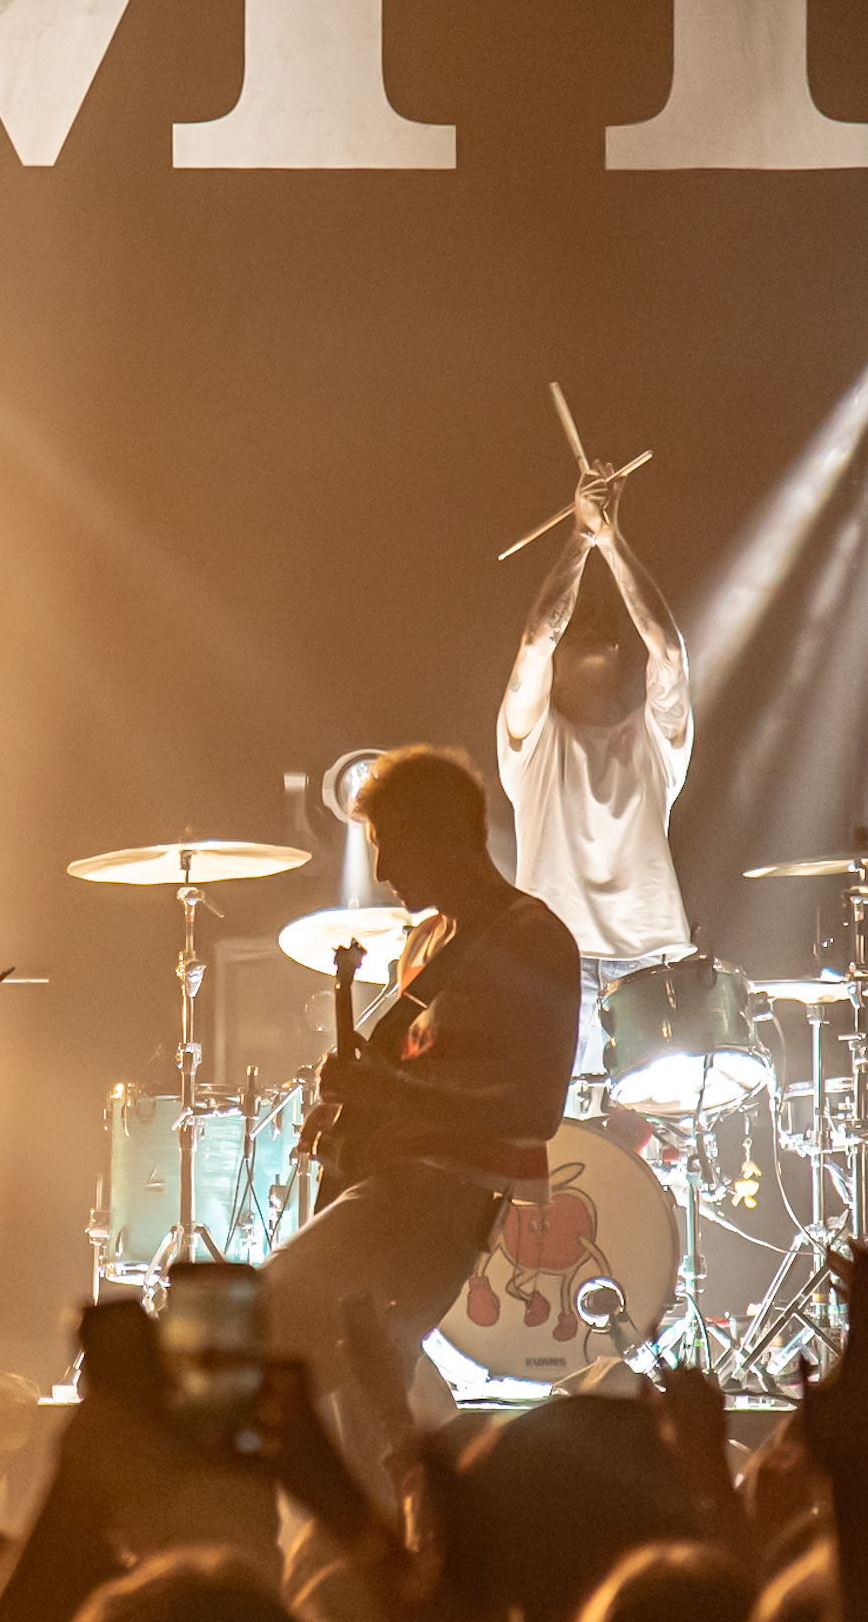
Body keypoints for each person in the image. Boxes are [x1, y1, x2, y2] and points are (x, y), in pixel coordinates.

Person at [263, 746, 582, 1467]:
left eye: (391, 844)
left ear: (447, 836)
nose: (381, 870)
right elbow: (414, 1078)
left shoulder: (534, 939)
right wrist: (350, 1107)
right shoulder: (426, 942)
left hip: (438, 1205)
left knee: (266, 1312)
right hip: (388, 1189)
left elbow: (535, 1111)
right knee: (365, 1405)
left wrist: (389, 1092)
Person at [495, 461, 694, 1104]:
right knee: (554, 1135)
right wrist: (581, 538)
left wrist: (612, 539)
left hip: (652, 965)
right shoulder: (531, 743)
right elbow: (536, 638)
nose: (598, 650)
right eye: (580, 642)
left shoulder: (658, 743)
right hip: (554, 964)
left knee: (651, 1140)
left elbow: (668, 650)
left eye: (608, 644)